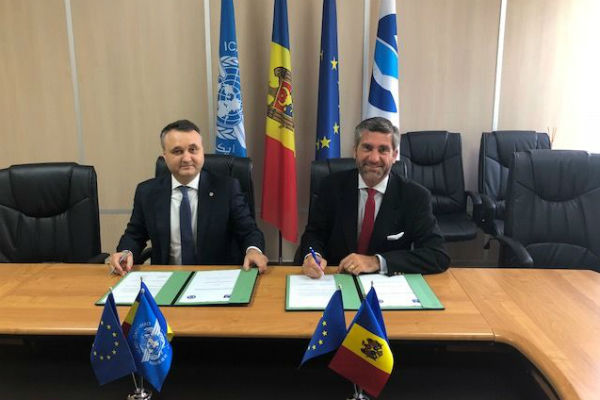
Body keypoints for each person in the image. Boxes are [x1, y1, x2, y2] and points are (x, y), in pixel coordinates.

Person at [108, 119, 268, 275]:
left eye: (193, 149)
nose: (186, 158)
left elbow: (249, 231)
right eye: (177, 151)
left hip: (215, 277)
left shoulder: (227, 189)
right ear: (165, 156)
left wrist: (253, 251)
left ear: (202, 151)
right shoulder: (147, 192)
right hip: (166, 277)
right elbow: (134, 235)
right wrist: (126, 252)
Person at [298, 117, 450, 278]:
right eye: (367, 148)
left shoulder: (415, 196)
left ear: (394, 155)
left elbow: (437, 255)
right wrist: (312, 256)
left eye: (383, 150)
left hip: (386, 282)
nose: (374, 158)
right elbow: (314, 234)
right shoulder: (331, 186)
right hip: (335, 277)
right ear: (355, 151)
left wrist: (376, 261)